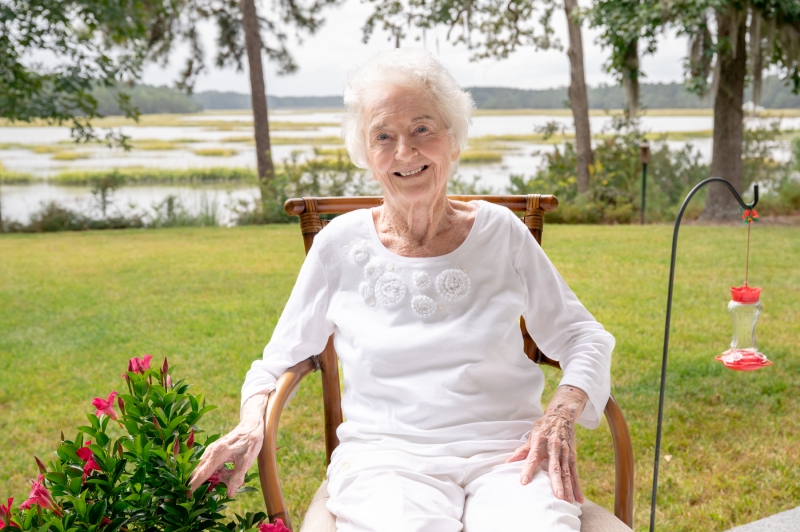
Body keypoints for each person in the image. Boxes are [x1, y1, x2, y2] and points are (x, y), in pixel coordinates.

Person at [189, 48, 614, 532]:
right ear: (367, 156)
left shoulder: (501, 233)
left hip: (507, 454)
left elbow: (584, 336)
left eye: (422, 129)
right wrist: (249, 426)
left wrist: (561, 412)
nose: (405, 153)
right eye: (383, 136)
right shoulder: (338, 244)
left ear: (452, 140)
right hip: (385, 462)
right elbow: (277, 361)